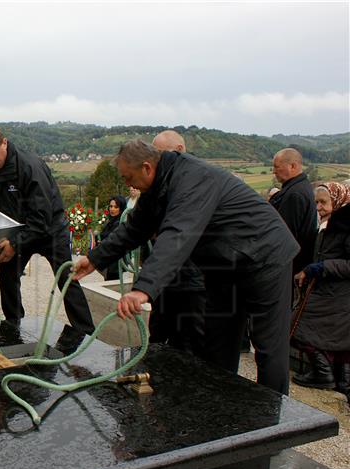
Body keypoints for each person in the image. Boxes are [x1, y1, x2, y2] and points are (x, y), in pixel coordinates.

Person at [72, 140, 299, 394]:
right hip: (224, 267)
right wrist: (94, 259)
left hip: (265, 257)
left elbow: (178, 233)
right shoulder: (157, 187)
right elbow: (134, 229)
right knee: (217, 342)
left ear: (147, 167)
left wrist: (143, 289)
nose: (127, 185)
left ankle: (278, 419)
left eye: (129, 177)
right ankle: (222, 409)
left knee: (269, 348)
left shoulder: (192, 179)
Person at [0, 125, 95, 352]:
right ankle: (14, 325)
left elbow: (41, 217)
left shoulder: (30, 167)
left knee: (66, 278)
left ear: (4, 143)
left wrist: (16, 243)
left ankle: (86, 332)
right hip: (18, 230)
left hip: (50, 229)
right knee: (7, 275)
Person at [147, 131, 207, 357]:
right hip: (168, 279)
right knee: (158, 337)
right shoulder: (164, 184)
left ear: (180, 150)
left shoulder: (197, 182)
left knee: (189, 344)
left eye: (161, 155)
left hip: (192, 280)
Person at [291, 182, 350, 395]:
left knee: (301, 327)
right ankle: (338, 383)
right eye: (316, 202)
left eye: (323, 202)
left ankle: (324, 375)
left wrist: (320, 267)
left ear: (338, 201)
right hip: (328, 291)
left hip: (337, 294)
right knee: (338, 342)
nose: (318, 207)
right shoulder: (329, 224)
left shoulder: (346, 227)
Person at [270, 148, 318, 274]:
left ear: (292, 166)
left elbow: (286, 235)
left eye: (277, 167)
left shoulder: (295, 194)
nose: (274, 171)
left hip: (291, 265)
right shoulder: (300, 187)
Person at [97, 195, 127, 281]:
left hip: (115, 263)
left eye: (116, 207)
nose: (112, 209)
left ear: (121, 208)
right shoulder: (110, 221)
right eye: (111, 206)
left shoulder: (120, 222)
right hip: (108, 260)